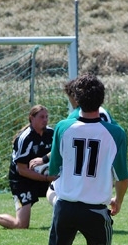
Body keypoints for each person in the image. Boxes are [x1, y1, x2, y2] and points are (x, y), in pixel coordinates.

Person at [31, 74, 128, 245]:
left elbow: (54, 169)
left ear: (75, 100)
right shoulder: (116, 132)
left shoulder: (63, 127)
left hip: (65, 204)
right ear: (102, 99)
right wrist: (118, 200)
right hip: (95, 207)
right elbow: (122, 177)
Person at [28, 78, 115, 206]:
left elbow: (64, 148)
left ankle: (64, 210)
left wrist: (44, 159)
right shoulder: (104, 112)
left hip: (85, 170)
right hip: (106, 166)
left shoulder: (76, 117)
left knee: (52, 190)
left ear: (76, 97)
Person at [0, 105, 56, 230]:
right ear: (31, 118)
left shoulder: (51, 133)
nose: (45, 120)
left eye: (46, 117)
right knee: (21, 225)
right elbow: (22, 170)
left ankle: (63, 224)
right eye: (41, 117)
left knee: (64, 191)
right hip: (22, 181)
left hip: (42, 177)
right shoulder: (25, 138)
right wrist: (46, 178)